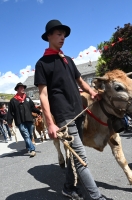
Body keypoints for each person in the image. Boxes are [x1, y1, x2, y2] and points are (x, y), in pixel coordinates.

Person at [34, 19, 106, 200]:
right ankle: (96, 197)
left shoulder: (68, 60)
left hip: (79, 112)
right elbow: (43, 95)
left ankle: (68, 187)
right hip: (64, 116)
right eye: (58, 34)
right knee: (81, 159)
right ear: (48, 36)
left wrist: (92, 92)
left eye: (63, 35)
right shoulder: (42, 63)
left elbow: (80, 80)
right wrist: (50, 123)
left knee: (74, 156)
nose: (62, 37)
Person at [7, 83, 41, 156]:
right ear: (17, 89)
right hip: (20, 121)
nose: (23, 89)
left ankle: (28, 146)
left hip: (29, 119)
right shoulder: (13, 100)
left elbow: (32, 107)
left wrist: (39, 112)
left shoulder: (27, 98)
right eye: (21, 88)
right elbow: (10, 112)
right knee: (26, 135)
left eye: (23, 87)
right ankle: (32, 149)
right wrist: (9, 121)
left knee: (30, 135)